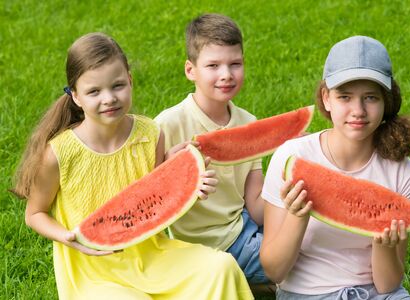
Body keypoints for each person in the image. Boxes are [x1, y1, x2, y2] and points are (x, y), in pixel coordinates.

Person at [12, 32, 254, 300]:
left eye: (117, 86)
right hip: (94, 271)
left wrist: (182, 178)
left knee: (219, 267)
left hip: (151, 256)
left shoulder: (150, 134)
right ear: (76, 97)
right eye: (94, 91)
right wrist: (67, 236)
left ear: (130, 80)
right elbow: (34, 214)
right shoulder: (59, 153)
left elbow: (152, 199)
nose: (109, 98)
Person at [260, 36, 410, 299]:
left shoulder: (403, 173)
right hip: (306, 293)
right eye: (345, 97)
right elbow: (274, 271)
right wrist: (297, 216)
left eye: (370, 97)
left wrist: (382, 246)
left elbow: (387, 285)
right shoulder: (292, 157)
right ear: (326, 98)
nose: (358, 110)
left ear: (386, 101)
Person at [155, 13, 269, 285]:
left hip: (245, 224)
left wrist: (288, 195)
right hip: (208, 243)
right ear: (190, 70)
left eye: (235, 64)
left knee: (312, 237)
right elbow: (154, 202)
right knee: (303, 261)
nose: (226, 75)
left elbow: (256, 205)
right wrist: (178, 178)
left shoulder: (249, 124)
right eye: (213, 65)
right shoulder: (168, 125)